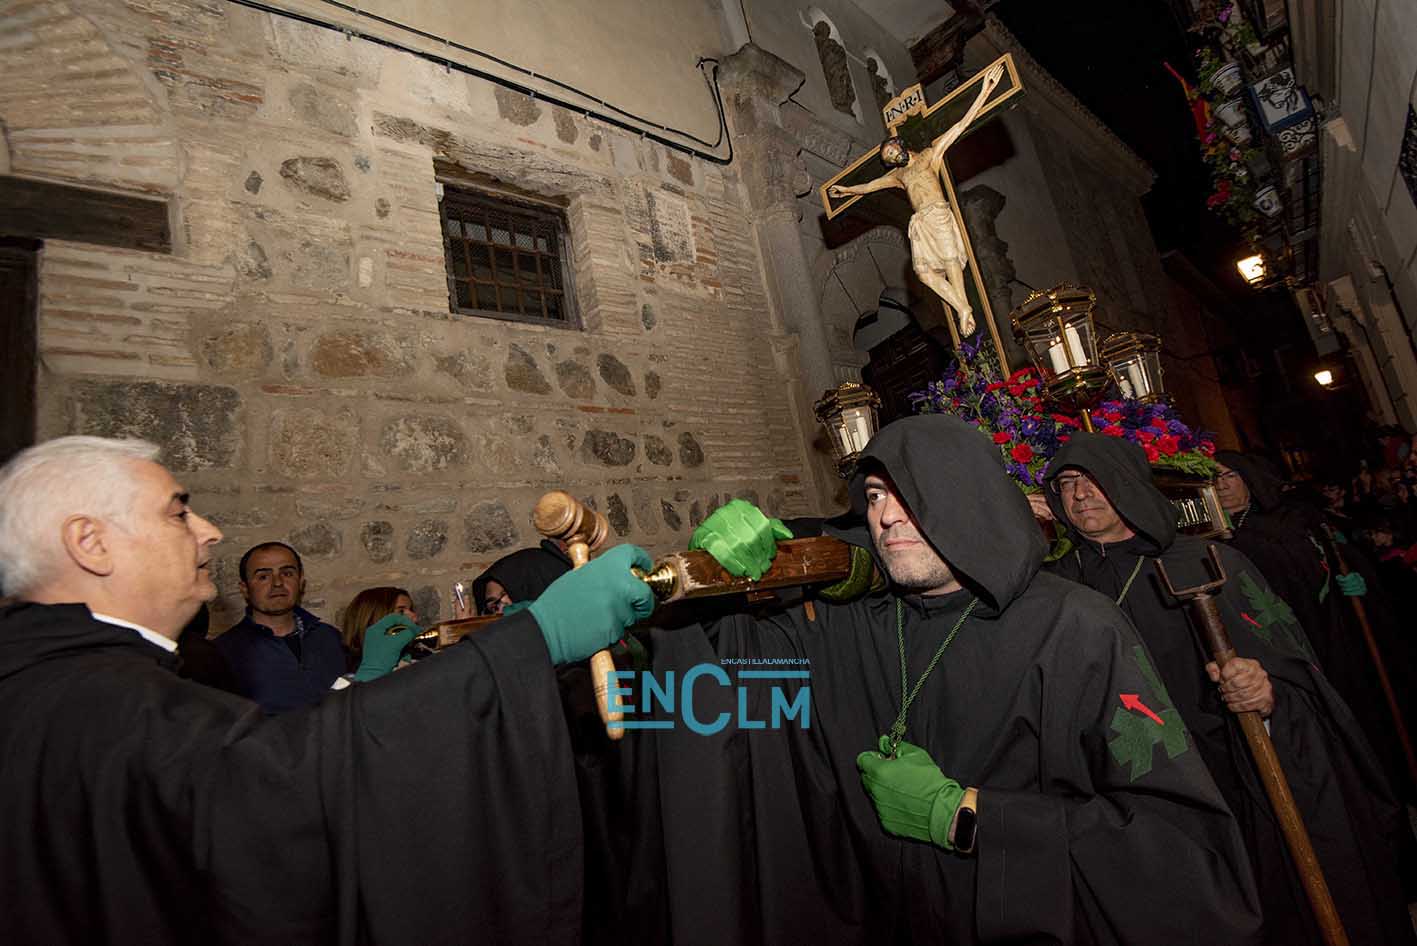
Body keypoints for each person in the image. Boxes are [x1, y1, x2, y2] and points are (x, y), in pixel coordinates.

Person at [621, 415, 1262, 945]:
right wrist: (720, 595)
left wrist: (968, 816)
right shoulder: (853, 624)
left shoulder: (1077, 630)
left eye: (909, 493)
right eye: (873, 496)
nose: (886, 517)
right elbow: (716, 696)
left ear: (967, 498)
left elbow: (1185, 857)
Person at [0, 435, 654, 945]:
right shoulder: (101, 700)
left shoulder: (55, 679)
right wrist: (531, 640)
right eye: (178, 512)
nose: (209, 532)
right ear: (90, 543)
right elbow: (286, 784)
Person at [1040, 432, 1414, 946]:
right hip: (1131, 791)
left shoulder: (1207, 562)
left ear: (1126, 482)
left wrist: (1265, 690)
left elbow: (1296, 671)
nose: (1080, 495)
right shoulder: (1057, 588)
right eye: (1067, 484)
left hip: (1226, 771)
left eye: (1093, 480)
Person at [1215, 450, 1417, 803]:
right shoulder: (1216, 538)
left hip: (1330, 637)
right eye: (1213, 479)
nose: (1222, 484)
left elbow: (1343, 562)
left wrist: (1361, 585)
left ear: (1250, 478)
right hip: (1276, 650)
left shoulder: (1295, 519)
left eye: (1230, 475)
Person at [826, 62, 1006, 340]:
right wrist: (847, 191)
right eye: (887, 158)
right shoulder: (898, 176)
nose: (890, 158)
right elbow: (871, 186)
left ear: (900, 146)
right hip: (920, 223)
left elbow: (960, 125)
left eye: (890, 152)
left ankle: (963, 310)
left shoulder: (929, 156)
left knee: (950, 262)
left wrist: (985, 90)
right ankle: (962, 306)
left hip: (938, 213)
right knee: (923, 274)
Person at [214, 541, 348, 713]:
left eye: (287, 573)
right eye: (263, 576)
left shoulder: (331, 638)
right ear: (245, 589)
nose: (277, 583)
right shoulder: (224, 653)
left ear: (300, 582)